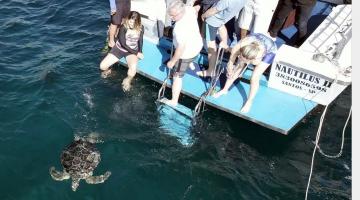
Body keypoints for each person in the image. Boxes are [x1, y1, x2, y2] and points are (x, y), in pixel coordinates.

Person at [212, 33, 277, 113]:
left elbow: (253, 64)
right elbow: (232, 59)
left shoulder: (257, 58)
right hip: (253, 41)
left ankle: (249, 101)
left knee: (254, 78)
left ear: (251, 59)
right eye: (240, 56)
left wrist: (244, 63)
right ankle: (225, 89)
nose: (240, 58)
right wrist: (230, 67)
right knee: (237, 67)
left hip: (270, 50)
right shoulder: (239, 46)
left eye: (244, 58)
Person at [161, 0, 203, 106]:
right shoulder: (189, 9)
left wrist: (172, 61)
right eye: (170, 15)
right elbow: (197, 8)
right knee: (192, 57)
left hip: (186, 53)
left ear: (180, 12)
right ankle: (190, 63)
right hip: (197, 45)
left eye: (173, 16)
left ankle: (174, 100)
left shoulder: (179, 28)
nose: (171, 18)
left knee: (177, 76)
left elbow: (181, 48)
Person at [196, 0, 247, 78]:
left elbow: (214, 10)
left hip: (211, 22)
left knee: (210, 47)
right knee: (221, 26)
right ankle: (225, 44)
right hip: (223, 18)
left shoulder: (227, 1)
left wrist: (204, 15)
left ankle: (211, 71)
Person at [100, 11, 144, 92]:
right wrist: (137, 53)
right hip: (120, 49)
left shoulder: (141, 27)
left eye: (134, 22)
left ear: (137, 22)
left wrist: (140, 51)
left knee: (132, 70)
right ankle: (109, 71)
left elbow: (140, 40)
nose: (131, 24)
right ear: (128, 19)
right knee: (102, 66)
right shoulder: (123, 27)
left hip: (132, 52)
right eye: (130, 21)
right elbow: (123, 44)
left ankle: (128, 80)